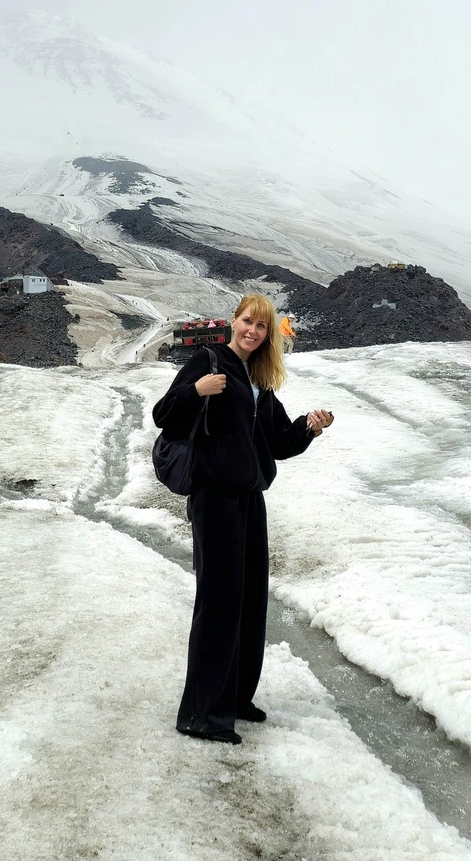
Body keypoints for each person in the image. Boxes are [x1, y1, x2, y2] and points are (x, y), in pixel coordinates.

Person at [152, 294, 332, 745]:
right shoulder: (208, 360)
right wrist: (195, 392)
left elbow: (277, 443)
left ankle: (234, 699)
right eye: (247, 321)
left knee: (251, 600)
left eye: (262, 326)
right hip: (213, 498)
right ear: (234, 321)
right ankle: (202, 715)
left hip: (250, 500)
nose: (253, 331)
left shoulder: (259, 380)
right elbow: (163, 415)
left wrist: (309, 426)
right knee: (219, 601)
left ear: (269, 336)